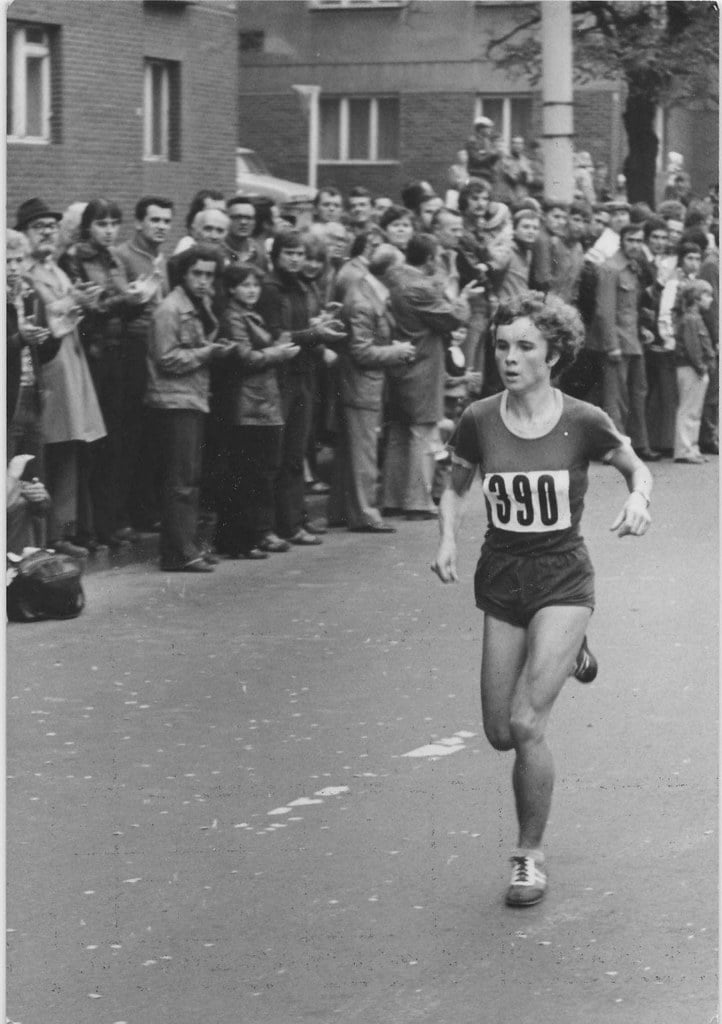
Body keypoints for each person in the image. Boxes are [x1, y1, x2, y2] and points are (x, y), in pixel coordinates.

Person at [431, 290, 653, 907]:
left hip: (562, 578)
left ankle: (528, 857)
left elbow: (636, 467)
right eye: (502, 345)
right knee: (499, 731)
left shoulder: (582, 419)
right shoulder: (478, 418)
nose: (510, 357)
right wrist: (446, 538)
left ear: (553, 355)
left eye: (525, 346)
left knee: (529, 724)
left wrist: (639, 497)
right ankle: (572, 651)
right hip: (502, 576)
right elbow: (455, 487)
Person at [18, 197, 107, 557]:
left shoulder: (55, 269)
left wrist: (80, 297)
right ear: (24, 232)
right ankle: (44, 536)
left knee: (69, 449)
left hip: (71, 368)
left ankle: (63, 532)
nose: (47, 233)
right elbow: (47, 311)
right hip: (49, 371)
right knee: (46, 453)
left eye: (52, 227)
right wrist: (75, 301)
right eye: (39, 227)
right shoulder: (24, 271)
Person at [145, 244, 234, 572]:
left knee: (190, 477)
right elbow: (166, 358)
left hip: (193, 396)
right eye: (197, 273)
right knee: (181, 479)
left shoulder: (201, 304)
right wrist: (207, 353)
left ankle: (187, 545)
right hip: (173, 400)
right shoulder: (170, 309)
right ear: (183, 274)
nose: (203, 281)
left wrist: (210, 349)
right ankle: (179, 551)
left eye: (209, 275)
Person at [214, 264, 300, 557]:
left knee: (260, 472)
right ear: (231, 288)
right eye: (245, 285)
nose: (252, 290)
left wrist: (278, 347)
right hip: (247, 403)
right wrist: (279, 352)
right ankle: (245, 537)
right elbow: (245, 357)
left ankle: (256, 533)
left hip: (262, 400)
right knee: (249, 472)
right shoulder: (233, 317)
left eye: (255, 285)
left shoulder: (251, 314)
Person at [328, 243, 415, 532]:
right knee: (363, 451)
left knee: (351, 451)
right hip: (361, 386)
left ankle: (342, 511)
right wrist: (396, 351)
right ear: (389, 271)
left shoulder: (369, 291)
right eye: (400, 269)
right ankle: (365, 513)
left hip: (360, 384)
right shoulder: (363, 301)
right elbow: (362, 351)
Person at [115, 195, 174, 533]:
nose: (161, 226)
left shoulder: (162, 259)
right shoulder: (123, 256)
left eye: (166, 221)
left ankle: (146, 508)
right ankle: (126, 512)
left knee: (154, 434)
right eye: (155, 220)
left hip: (160, 350)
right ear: (139, 222)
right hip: (134, 350)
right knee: (133, 432)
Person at [673, 279, 716, 464]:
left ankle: (692, 447)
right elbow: (693, 347)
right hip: (691, 368)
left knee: (694, 411)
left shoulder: (694, 318)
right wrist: (701, 366)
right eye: (707, 295)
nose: (711, 299)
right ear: (697, 298)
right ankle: (684, 449)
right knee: (689, 409)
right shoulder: (692, 319)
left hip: (693, 368)